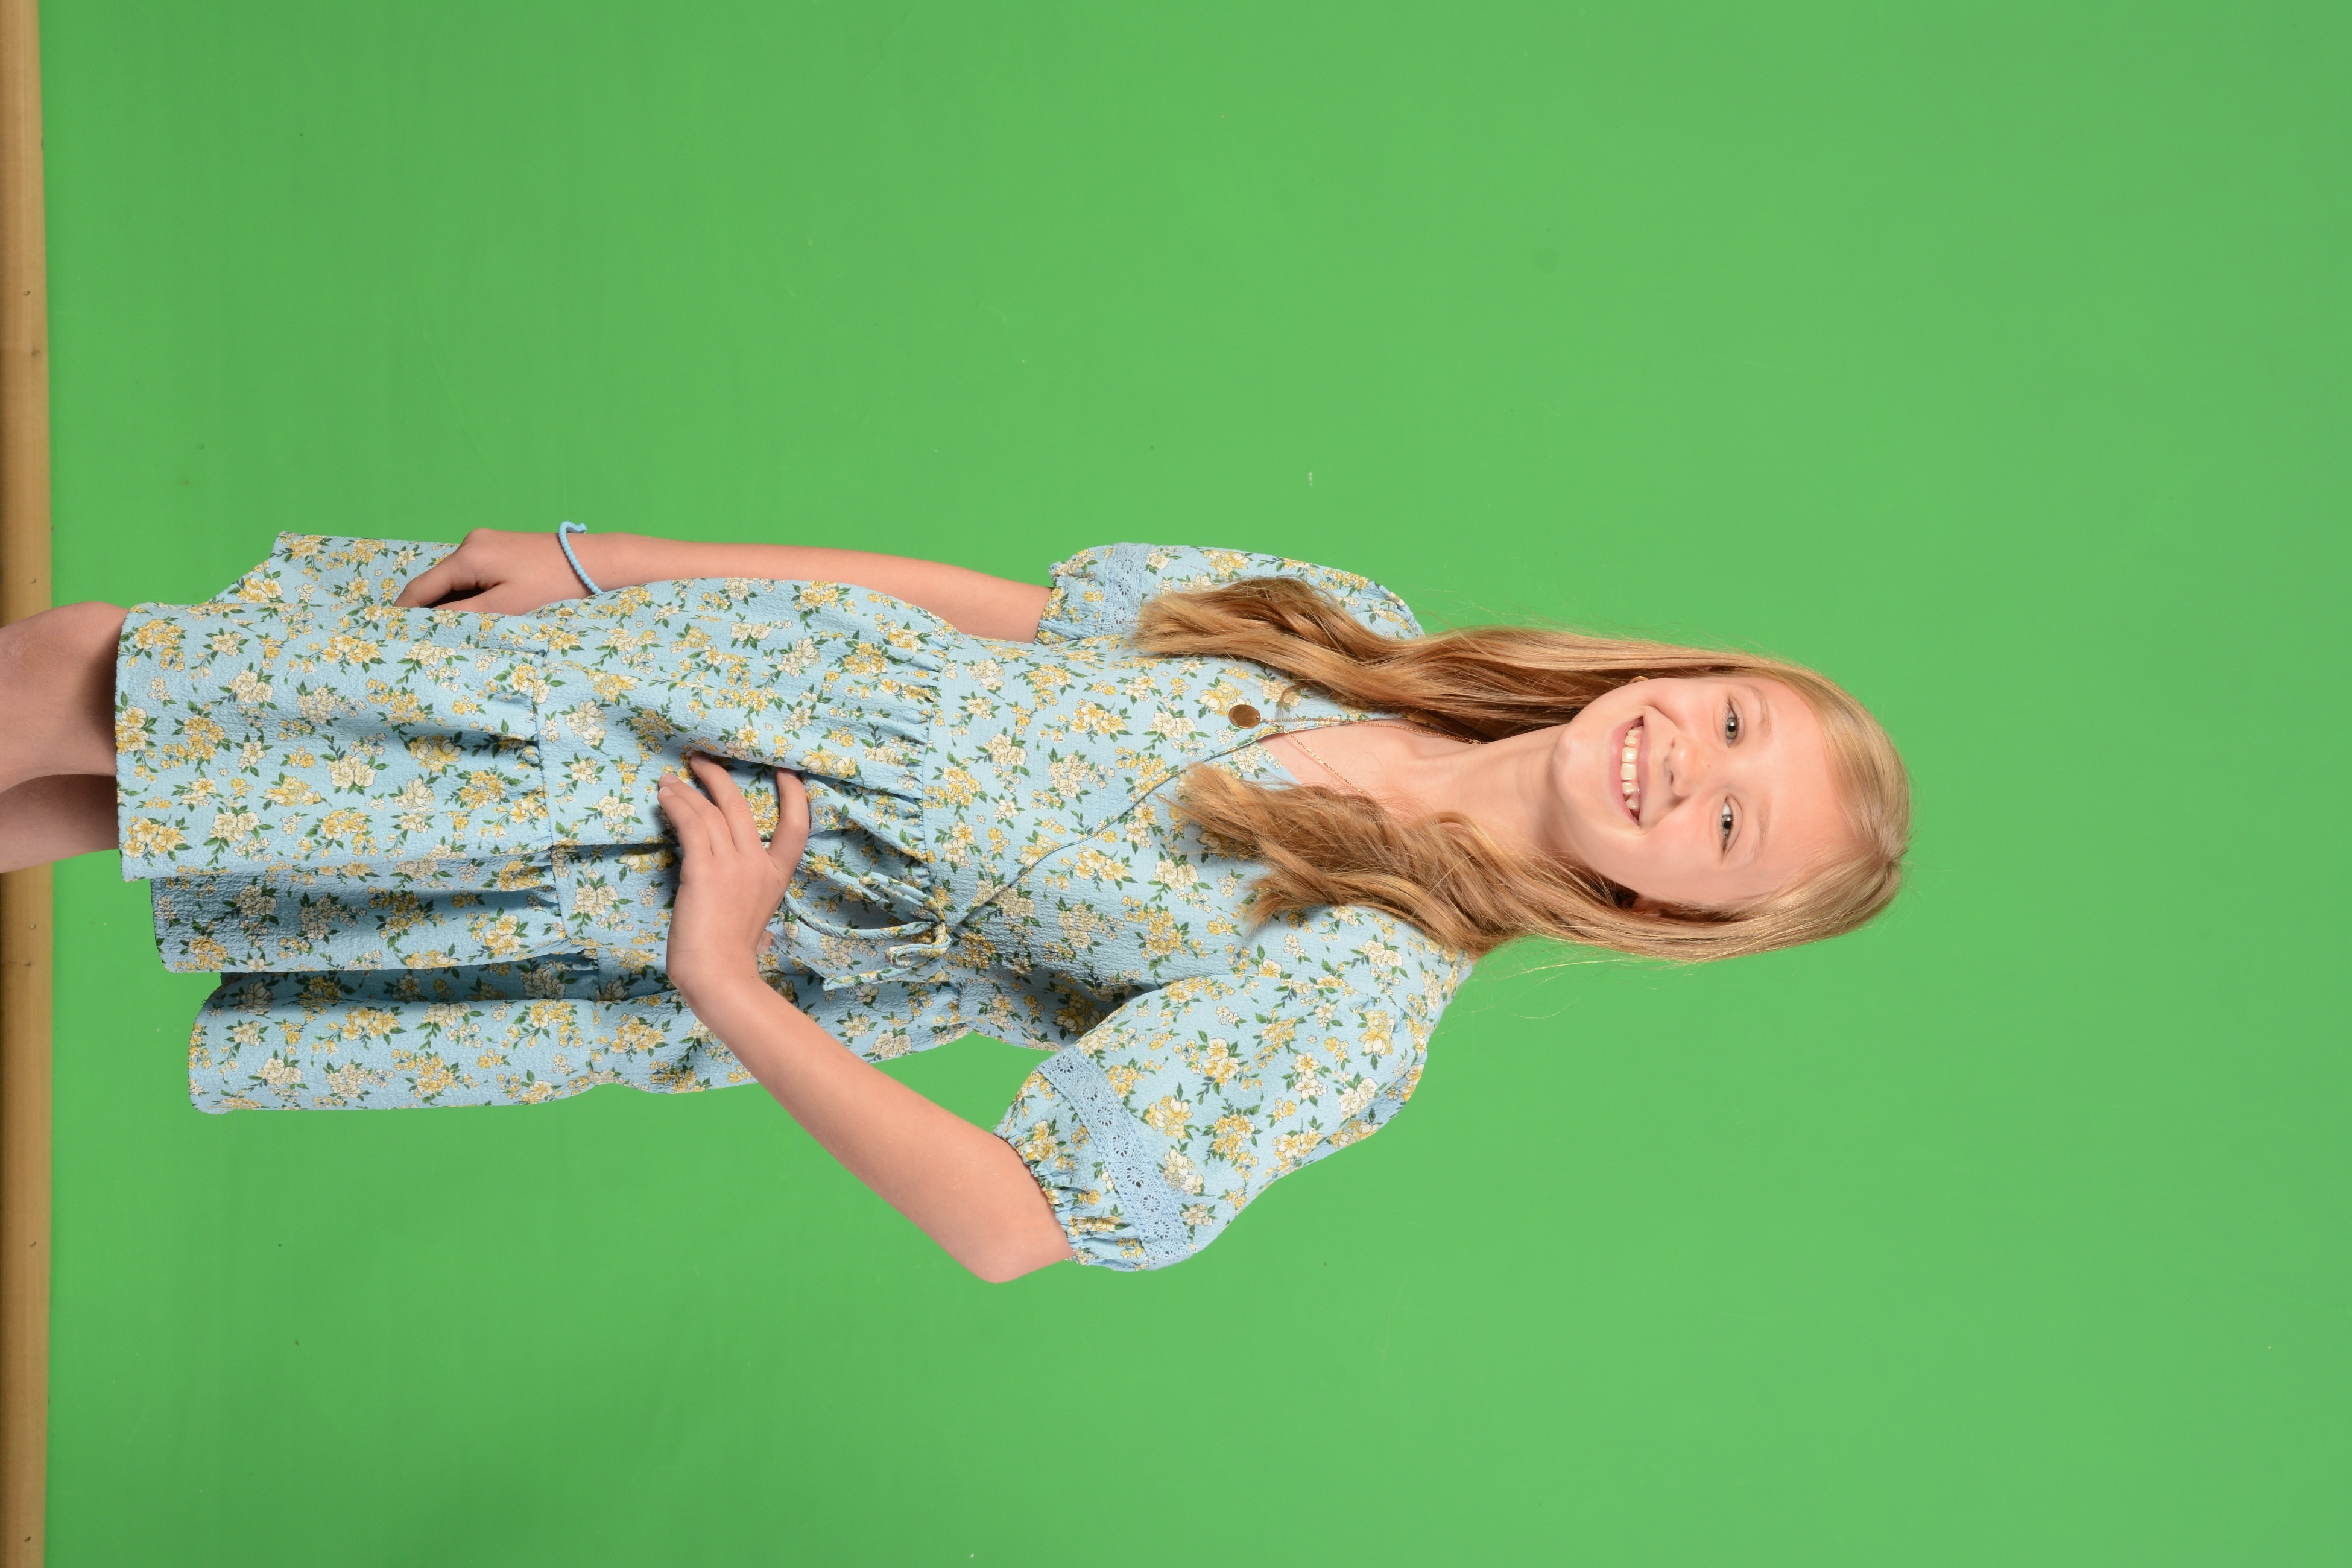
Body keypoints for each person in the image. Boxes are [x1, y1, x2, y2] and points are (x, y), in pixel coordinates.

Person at [0, 527, 1908, 1280]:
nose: (1689, 766)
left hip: (628, 833)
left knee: (84, 682)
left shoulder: (1354, 997)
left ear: (1670, 906)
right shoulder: (1355, 629)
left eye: (1728, 827)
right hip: (659, 670)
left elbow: (1014, 1223)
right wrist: (605, 562)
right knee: (93, 767)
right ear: (1686, 670)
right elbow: (996, 614)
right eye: (1732, 720)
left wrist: (725, 974)